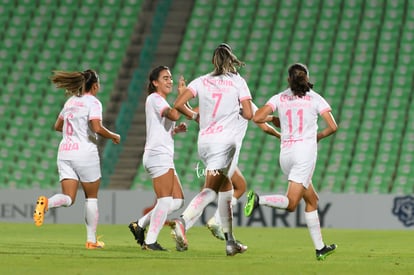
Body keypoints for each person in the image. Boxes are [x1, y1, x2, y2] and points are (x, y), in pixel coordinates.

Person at [244, 63, 338, 261]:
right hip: (304, 154)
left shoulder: (279, 97)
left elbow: (257, 118)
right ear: (307, 78)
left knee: (312, 200)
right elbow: (333, 126)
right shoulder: (315, 98)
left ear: (289, 80)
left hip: (286, 155)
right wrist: (318, 136)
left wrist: (275, 118)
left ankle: (320, 248)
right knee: (291, 204)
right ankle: (259, 199)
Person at [170, 43, 252, 256]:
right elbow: (250, 114)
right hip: (225, 144)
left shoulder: (201, 81)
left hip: (204, 142)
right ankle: (183, 221)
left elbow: (178, 104)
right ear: (231, 60)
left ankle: (230, 242)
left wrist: (197, 117)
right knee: (211, 190)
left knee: (227, 190)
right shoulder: (237, 82)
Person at [33, 69, 121, 249]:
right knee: (91, 197)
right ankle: (91, 241)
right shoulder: (94, 102)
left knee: (68, 197)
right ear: (95, 85)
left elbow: (58, 126)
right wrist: (113, 136)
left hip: (65, 152)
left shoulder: (70, 101)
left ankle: (47, 203)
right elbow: (96, 127)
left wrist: (73, 132)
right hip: (85, 153)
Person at [128, 66, 186, 251]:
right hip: (157, 155)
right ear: (155, 83)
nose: (170, 81)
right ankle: (151, 241)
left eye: (170, 78)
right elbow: (175, 113)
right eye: (165, 78)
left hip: (163, 155)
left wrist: (175, 130)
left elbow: (161, 127)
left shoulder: (161, 101)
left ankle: (140, 223)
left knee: (177, 201)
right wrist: (183, 96)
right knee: (164, 200)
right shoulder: (155, 99)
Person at [205, 102, 281, 240]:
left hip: (212, 147)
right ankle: (187, 222)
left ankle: (216, 222)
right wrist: (279, 135)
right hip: (228, 151)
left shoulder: (223, 98)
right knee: (210, 192)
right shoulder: (247, 104)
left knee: (240, 186)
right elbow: (263, 125)